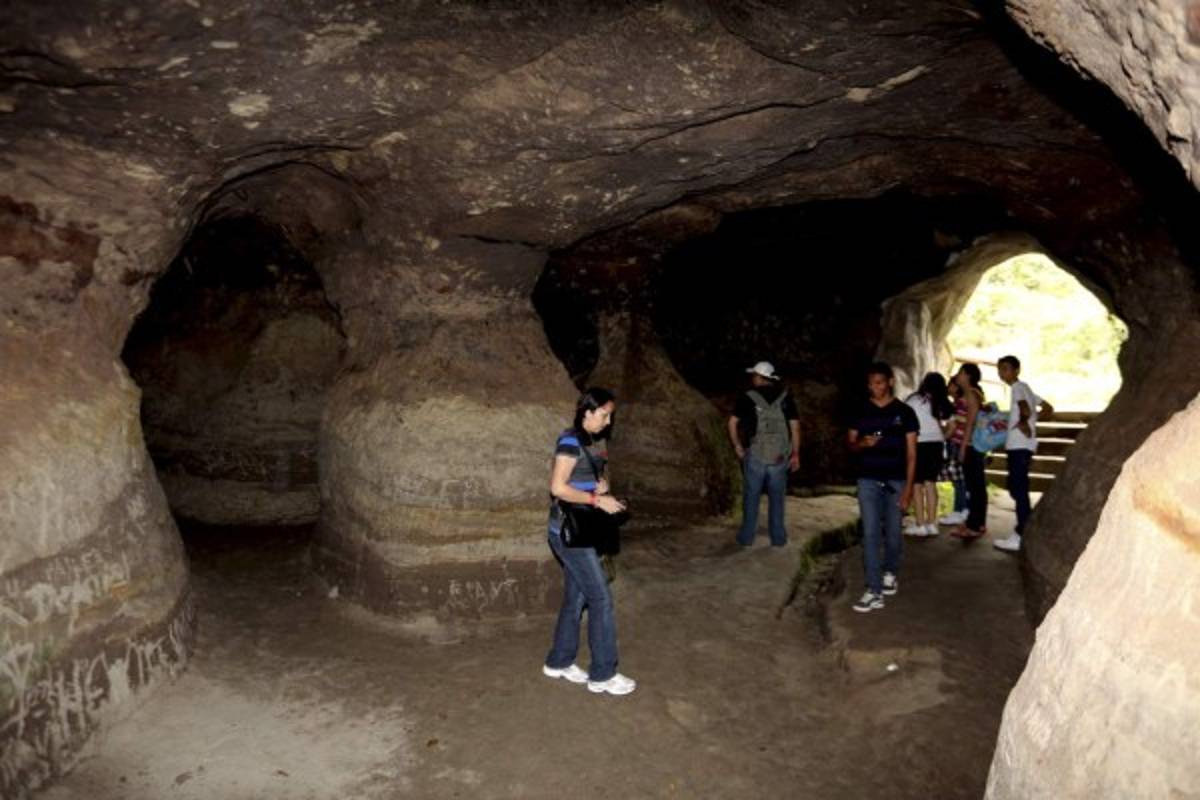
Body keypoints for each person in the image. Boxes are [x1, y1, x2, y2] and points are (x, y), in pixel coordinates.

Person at [542, 387, 634, 696]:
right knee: (601, 599)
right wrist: (597, 499)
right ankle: (603, 674)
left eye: (611, 415)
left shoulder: (591, 442)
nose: (608, 421)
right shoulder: (569, 441)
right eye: (605, 414)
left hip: (582, 530)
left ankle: (558, 661)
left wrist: (600, 486)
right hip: (569, 534)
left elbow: (577, 480)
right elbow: (557, 488)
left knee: (576, 598)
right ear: (588, 412)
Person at [847, 362, 917, 613]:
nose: (874, 388)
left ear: (889, 382)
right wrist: (863, 444)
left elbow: (911, 454)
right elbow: (850, 444)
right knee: (870, 534)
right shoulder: (861, 410)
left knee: (894, 534)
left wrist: (909, 489)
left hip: (896, 480)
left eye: (878, 382)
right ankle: (873, 590)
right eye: (870, 383)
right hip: (867, 480)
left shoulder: (905, 413)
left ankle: (891, 571)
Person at [728, 361, 801, 547]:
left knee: (751, 497)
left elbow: (732, 423)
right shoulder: (786, 398)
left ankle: (746, 538)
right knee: (777, 499)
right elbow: (795, 428)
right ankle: (778, 539)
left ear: (760, 377)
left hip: (756, 456)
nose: (753, 378)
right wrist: (795, 454)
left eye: (754, 375)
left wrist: (737, 446)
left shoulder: (747, 397)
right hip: (779, 458)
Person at [993, 356, 1054, 553]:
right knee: (1018, 487)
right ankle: (1026, 529)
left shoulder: (1017, 388)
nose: (1002, 372)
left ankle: (1021, 534)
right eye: (1000, 369)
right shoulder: (1026, 388)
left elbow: (1024, 408)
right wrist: (1033, 423)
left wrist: (1025, 423)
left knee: (1018, 490)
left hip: (1019, 446)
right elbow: (1049, 408)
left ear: (1017, 370)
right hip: (1025, 445)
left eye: (1006, 368)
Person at [904, 372, 953, 537]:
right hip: (936, 445)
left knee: (917, 485)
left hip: (918, 444)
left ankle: (920, 524)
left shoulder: (914, 399)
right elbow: (952, 426)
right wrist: (941, 437)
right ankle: (932, 524)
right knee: (931, 483)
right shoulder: (943, 402)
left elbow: (902, 420)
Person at [950, 363, 988, 539]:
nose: (958, 375)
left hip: (972, 447)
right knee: (974, 486)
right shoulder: (969, 393)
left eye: (960, 372)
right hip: (969, 446)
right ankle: (975, 522)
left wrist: (963, 447)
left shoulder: (971, 394)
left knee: (976, 487)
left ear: (968, 375)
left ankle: (975, 525)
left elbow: (970, 424)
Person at [937, 379, 969, 526]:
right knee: (960, 479)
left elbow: (956, 424)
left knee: (958, 480)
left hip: (956, 443)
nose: (948, 387)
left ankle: (959, 510)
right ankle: (963, 509)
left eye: (951, 385)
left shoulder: (960, 403)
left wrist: (943, 436)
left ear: (957, 387)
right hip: (958, 443)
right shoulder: (957, 402)